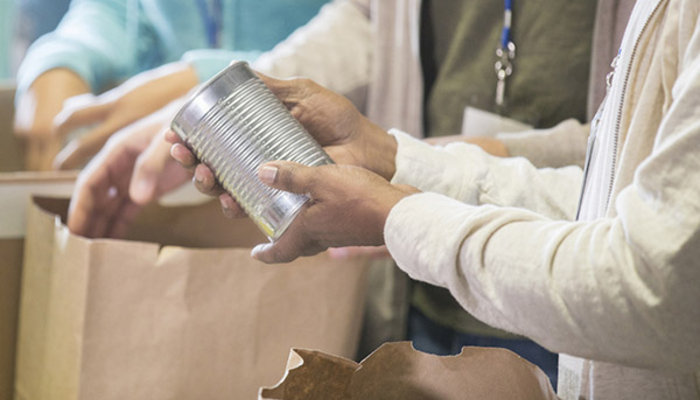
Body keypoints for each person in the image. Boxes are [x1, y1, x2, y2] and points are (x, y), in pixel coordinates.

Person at [64, 0, 634, 384]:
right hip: (421, 297)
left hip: (577, 319)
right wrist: (238, 110)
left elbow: (632, 159)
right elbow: (375, 18)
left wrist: (409, 167)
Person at [12, 0, 330, 170]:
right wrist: (63, 58)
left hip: (322, 161)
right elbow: (130, 9)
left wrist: (210, 83)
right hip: (173, 168)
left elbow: (365, 31)